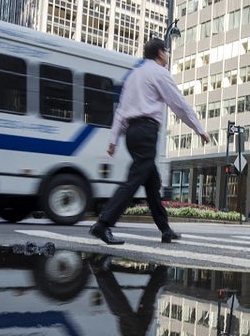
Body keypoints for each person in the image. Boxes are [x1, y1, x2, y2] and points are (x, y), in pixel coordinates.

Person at [90, 39, 210, 245]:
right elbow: (178, 104)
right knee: (134, 179)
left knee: (152, 183)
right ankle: (103, 224)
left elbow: (120, 110)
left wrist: (113, 140)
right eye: (167, 52)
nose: (168, 56)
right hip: (146, 131)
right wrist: (199, 129)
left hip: (132, 133)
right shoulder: (159, 73)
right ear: (161, 54)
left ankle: (165, 229)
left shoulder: (134, 75)